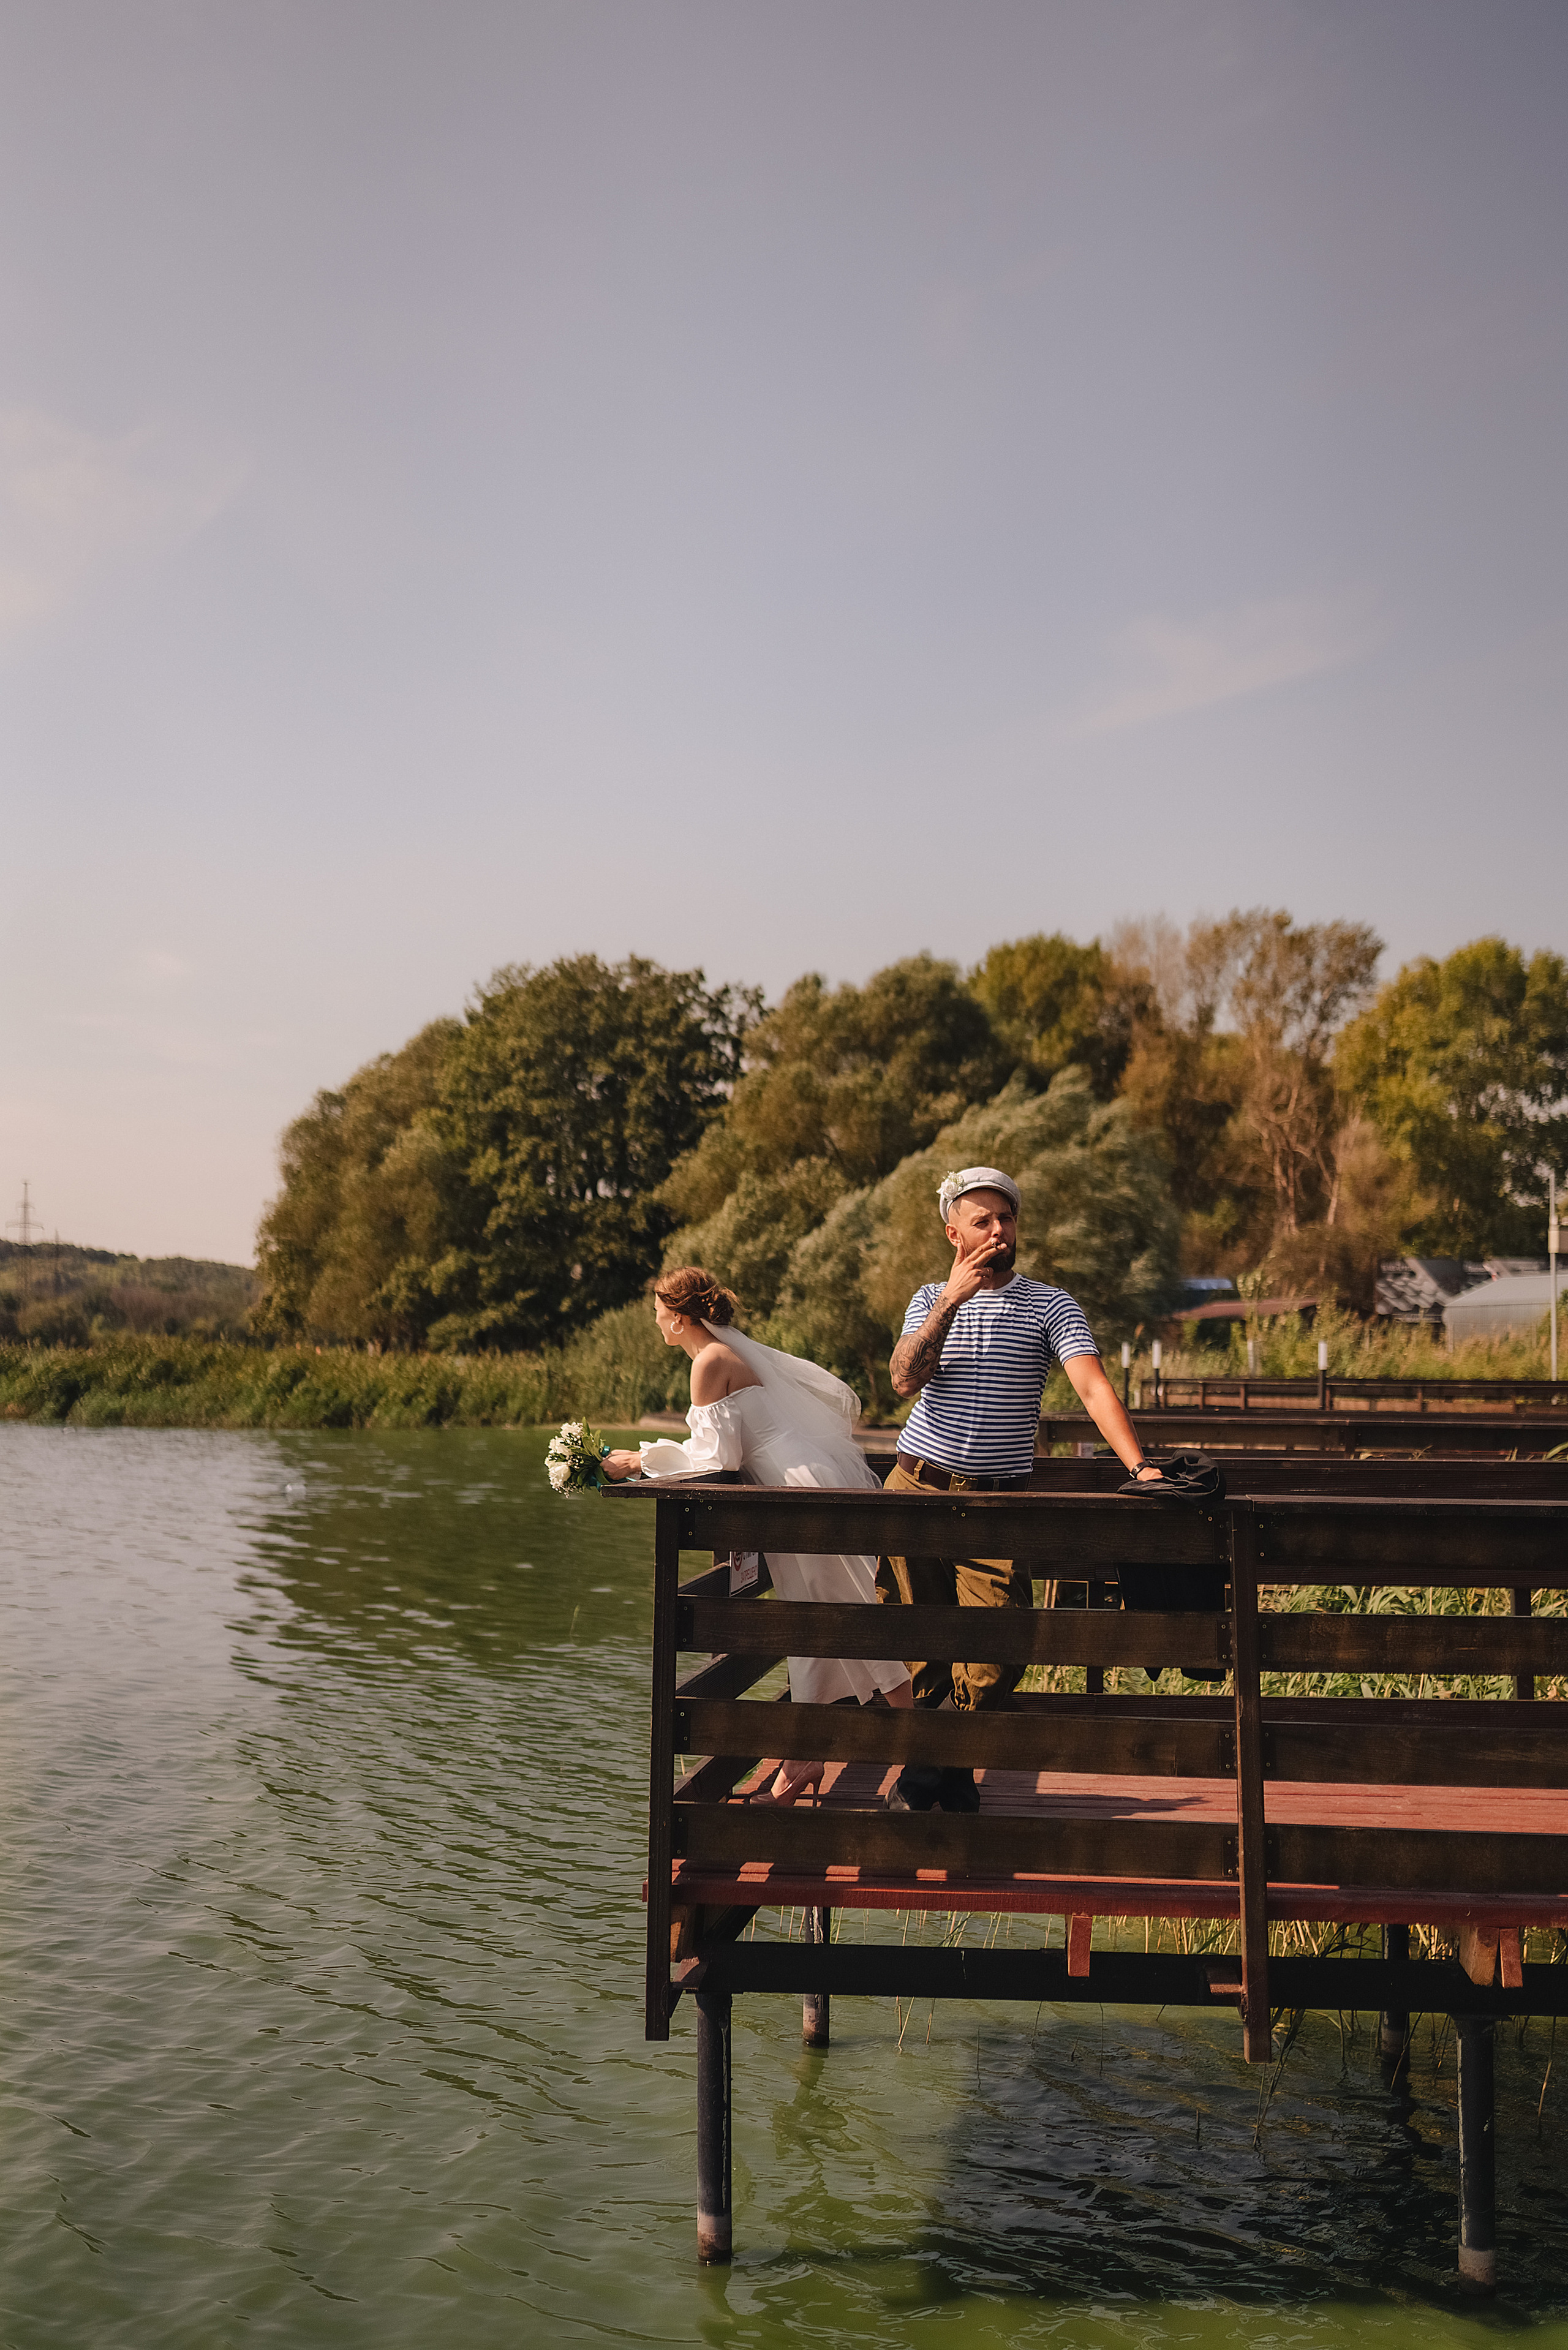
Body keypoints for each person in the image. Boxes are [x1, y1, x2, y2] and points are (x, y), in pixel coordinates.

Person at [878, 1165, 1165, 1812]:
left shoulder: (1050, 1304)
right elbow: (902, 1381)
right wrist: (952, 1299)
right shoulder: (928, 1298)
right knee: (913, 1638)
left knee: (1002, 1645)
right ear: (954, 1233)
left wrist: (1139, 1467)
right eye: (982, 1221)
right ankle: (945, 1775)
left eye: (1006, 1218)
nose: (998, 1231)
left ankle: (930, 1764)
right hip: (915, 1488)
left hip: (996, 1501)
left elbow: (1091, 1387)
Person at [602, 1265, 914, 1799]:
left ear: (678, 1317)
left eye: (658, 1311)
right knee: (814, 1622)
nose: (654, 1320)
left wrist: (638, 1460)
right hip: (797, 1490)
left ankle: (922, 1748)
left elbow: (719, 1458)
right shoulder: (723, 1355)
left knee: (848, 1615)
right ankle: (806, 1757)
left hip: (799, 1495)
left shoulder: (709, 1363)